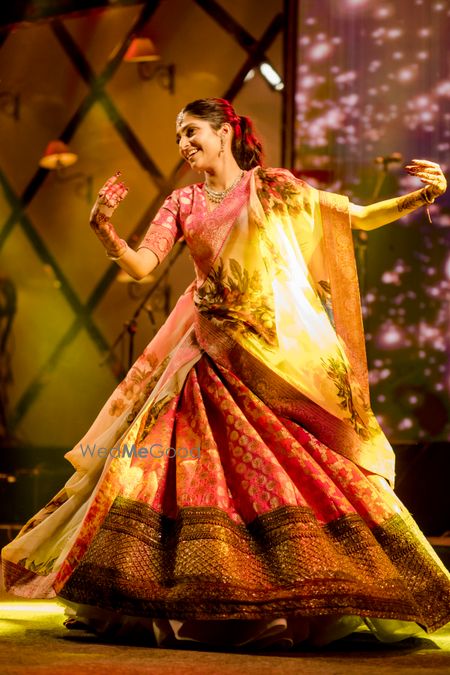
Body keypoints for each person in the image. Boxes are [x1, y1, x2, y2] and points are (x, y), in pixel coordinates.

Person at [2, 98, 449, 650]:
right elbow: (143, 266)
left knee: (296, 467)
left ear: (225, 132)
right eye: (178, 138)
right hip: (201, 353)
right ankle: (167, 592)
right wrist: (103, 229)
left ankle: (303, 591)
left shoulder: (273, 187)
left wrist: (423, 196)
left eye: (191, 132)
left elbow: (351, 217)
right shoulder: (183, 201)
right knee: (168, 471)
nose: (184, 144)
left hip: (269, 357)